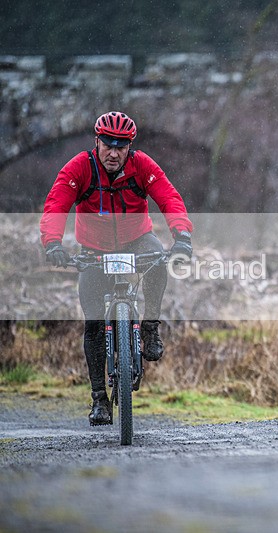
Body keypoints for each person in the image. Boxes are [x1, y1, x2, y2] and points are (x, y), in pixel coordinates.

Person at [40, 111, 193, 426]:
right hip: (93, 248)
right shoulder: (79, 168)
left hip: (137, 239)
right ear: (97, 141)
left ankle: (150, 326)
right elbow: (57, 203)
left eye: (121, 146)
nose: (113, 152)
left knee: (158, 260)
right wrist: (53, 243)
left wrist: (182, 235)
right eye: (107, 144)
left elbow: (169, 198)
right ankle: (99, 400)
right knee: (94, 324)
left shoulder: (143, 166)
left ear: (129, 146)